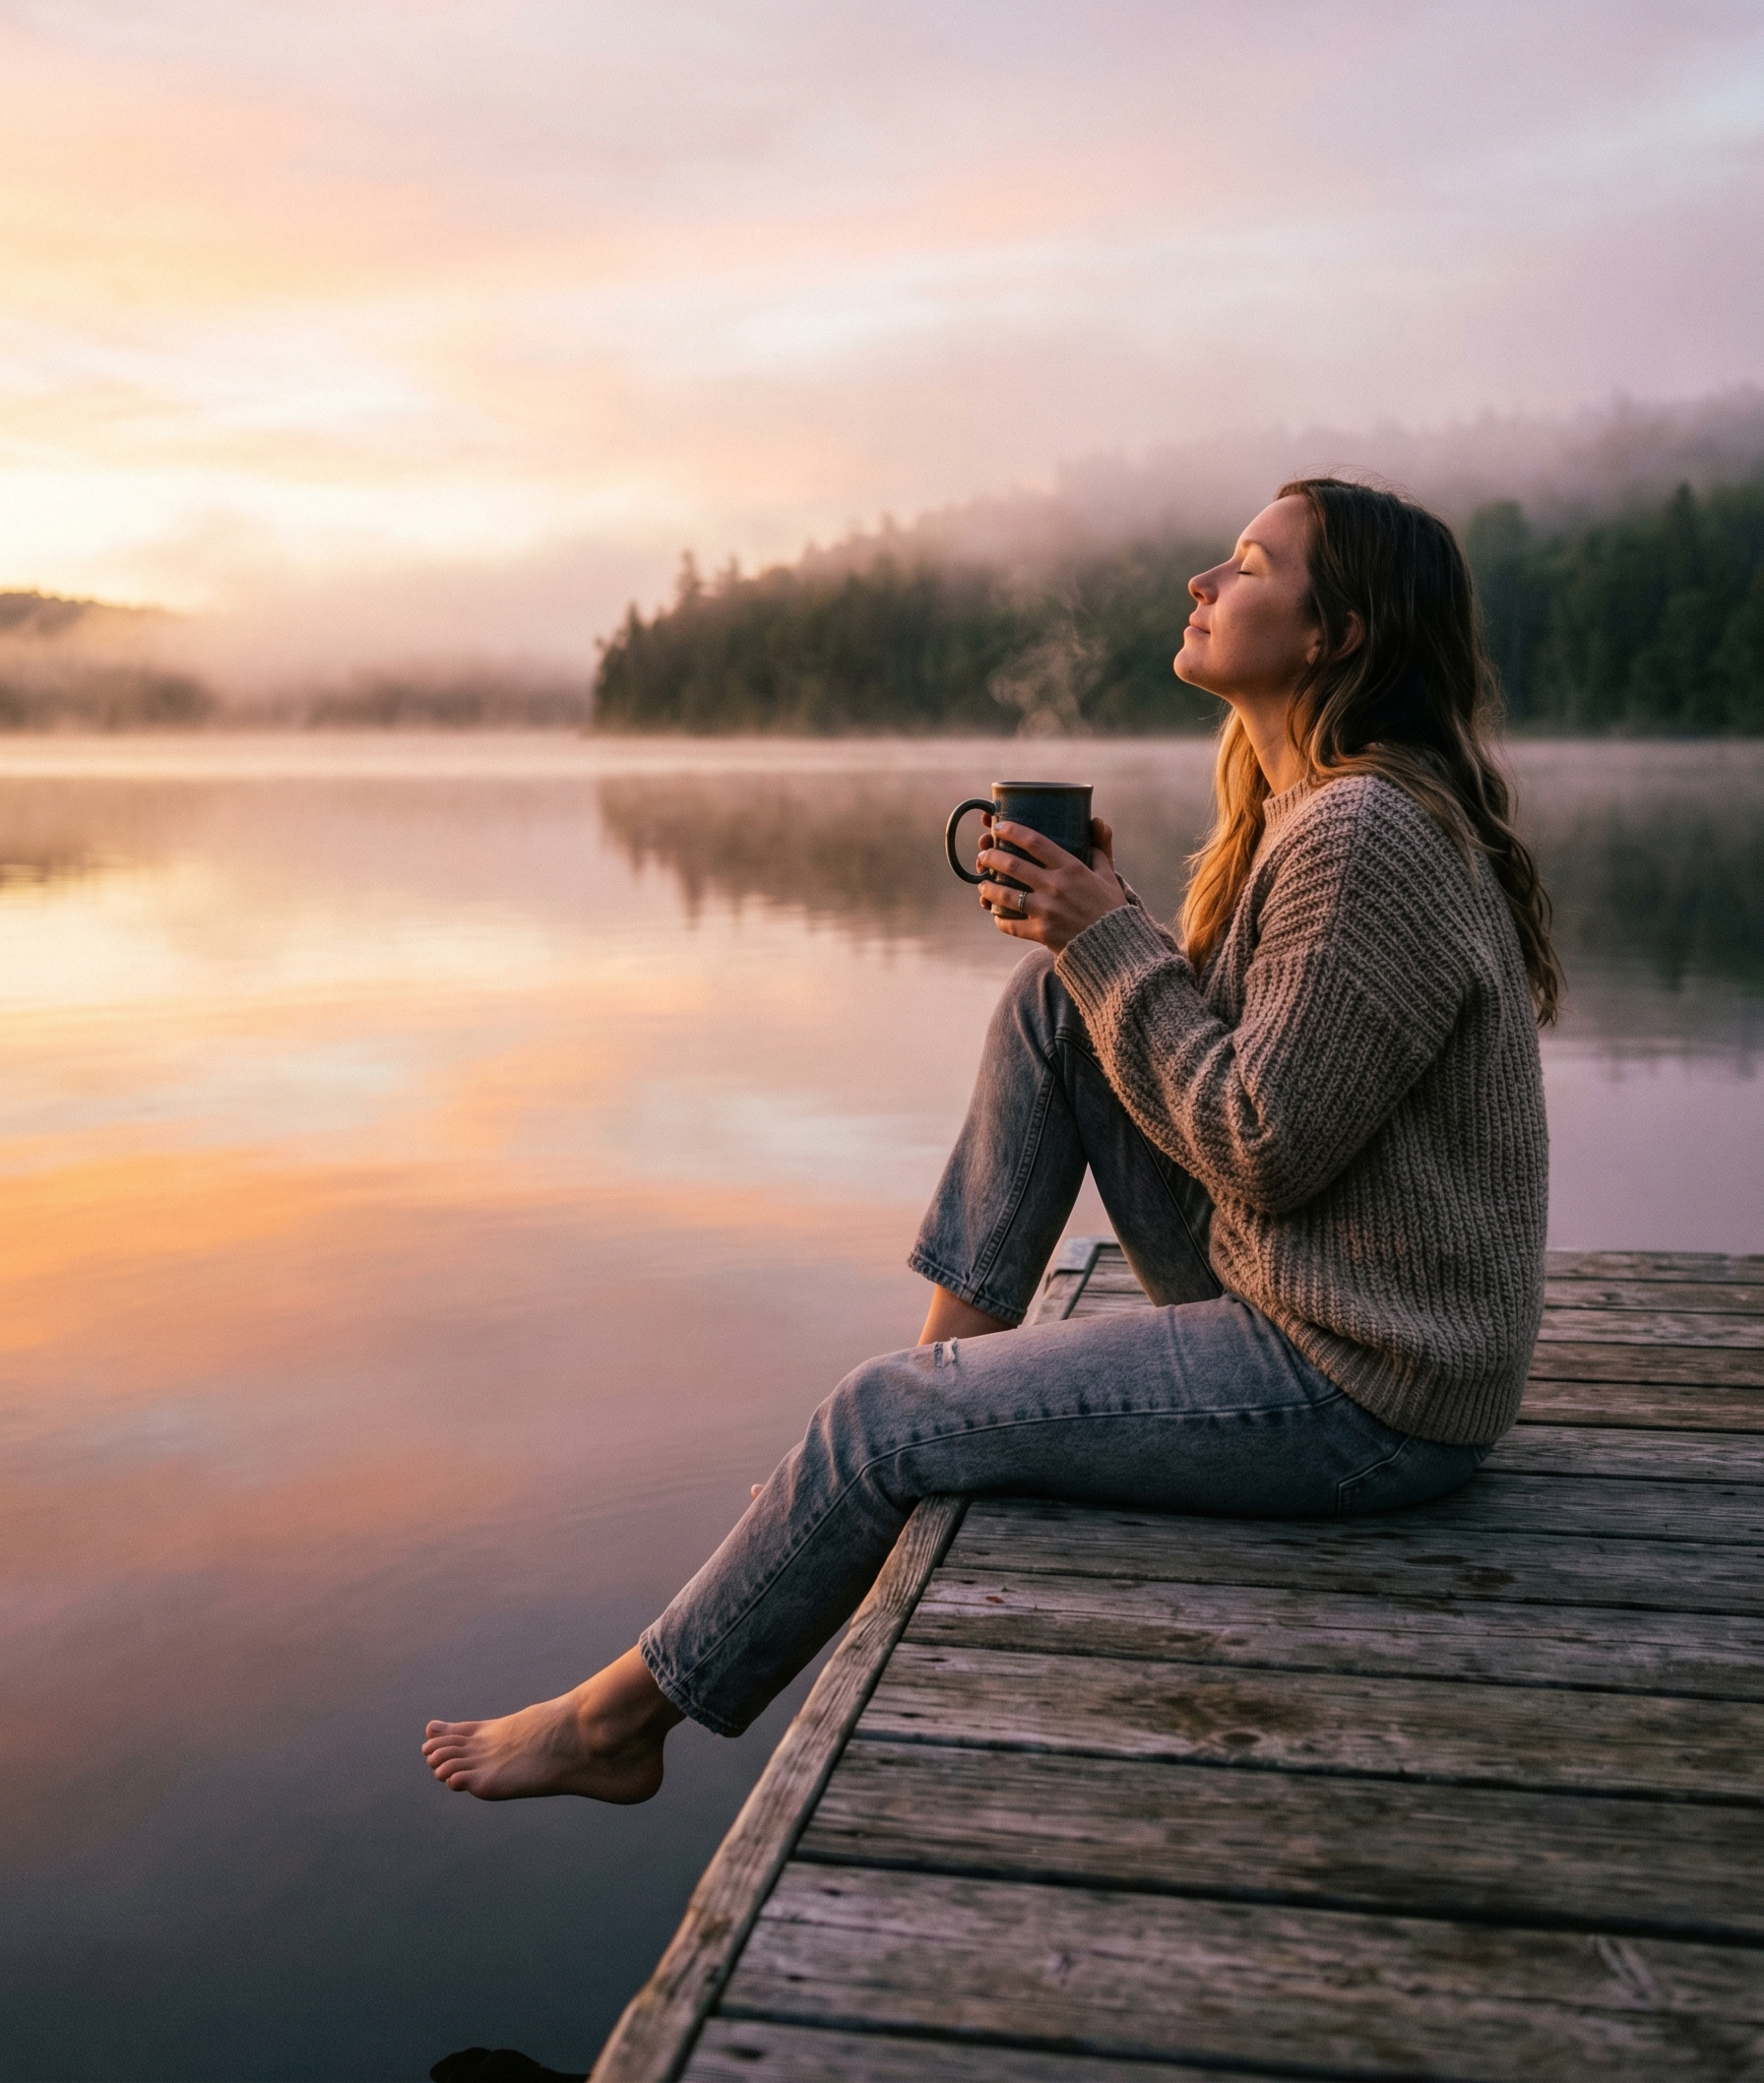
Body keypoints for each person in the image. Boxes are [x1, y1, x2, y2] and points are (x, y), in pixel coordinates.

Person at [422, 476, 1556, 1804]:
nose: (1203, 580)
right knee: (1052, 1013)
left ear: (1336, 633)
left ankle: (625, 1721)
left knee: (878, 1415)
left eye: (1247, 563)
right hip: (1323, 1292)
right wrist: (1105, 930)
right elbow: (1255, 1071)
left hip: (1369, 1396)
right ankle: (928, 1416)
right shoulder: (1312, 808)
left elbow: (1264, 1144)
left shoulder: (1362, 831)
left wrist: (1104, 936)